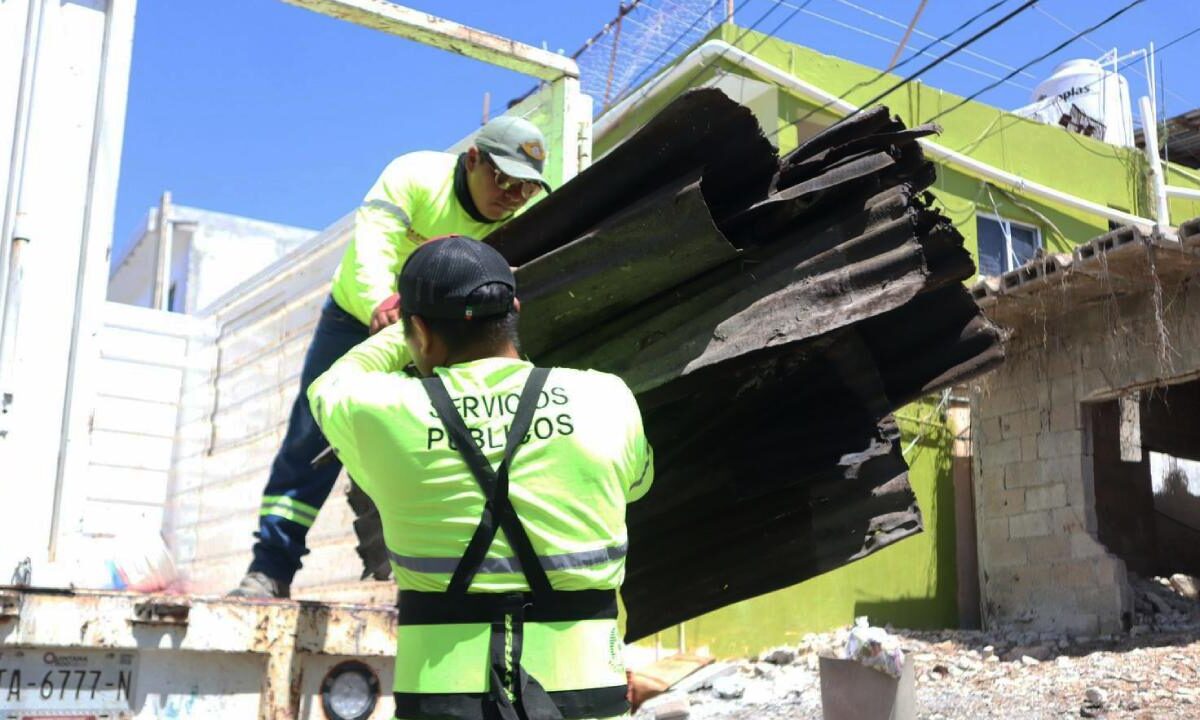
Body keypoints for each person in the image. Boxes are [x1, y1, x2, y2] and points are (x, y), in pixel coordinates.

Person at [307, 236, 653, 720]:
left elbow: (328, 387)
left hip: (442, 700)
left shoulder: (382, 410)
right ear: (513, 309)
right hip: (586, 695)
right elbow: (636, 485)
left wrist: (395, 332)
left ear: (421, 333)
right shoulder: (606, 398)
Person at [230, 116, 553, 599]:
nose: (512, 196)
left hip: (449, 330)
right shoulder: (416, 176)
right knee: (312, 432)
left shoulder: (528, 216)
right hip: (362, 317)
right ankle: (270, 568)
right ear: (472, 160)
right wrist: (382, 305)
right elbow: (372, 247)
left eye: (525, 189)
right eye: (503, 179)